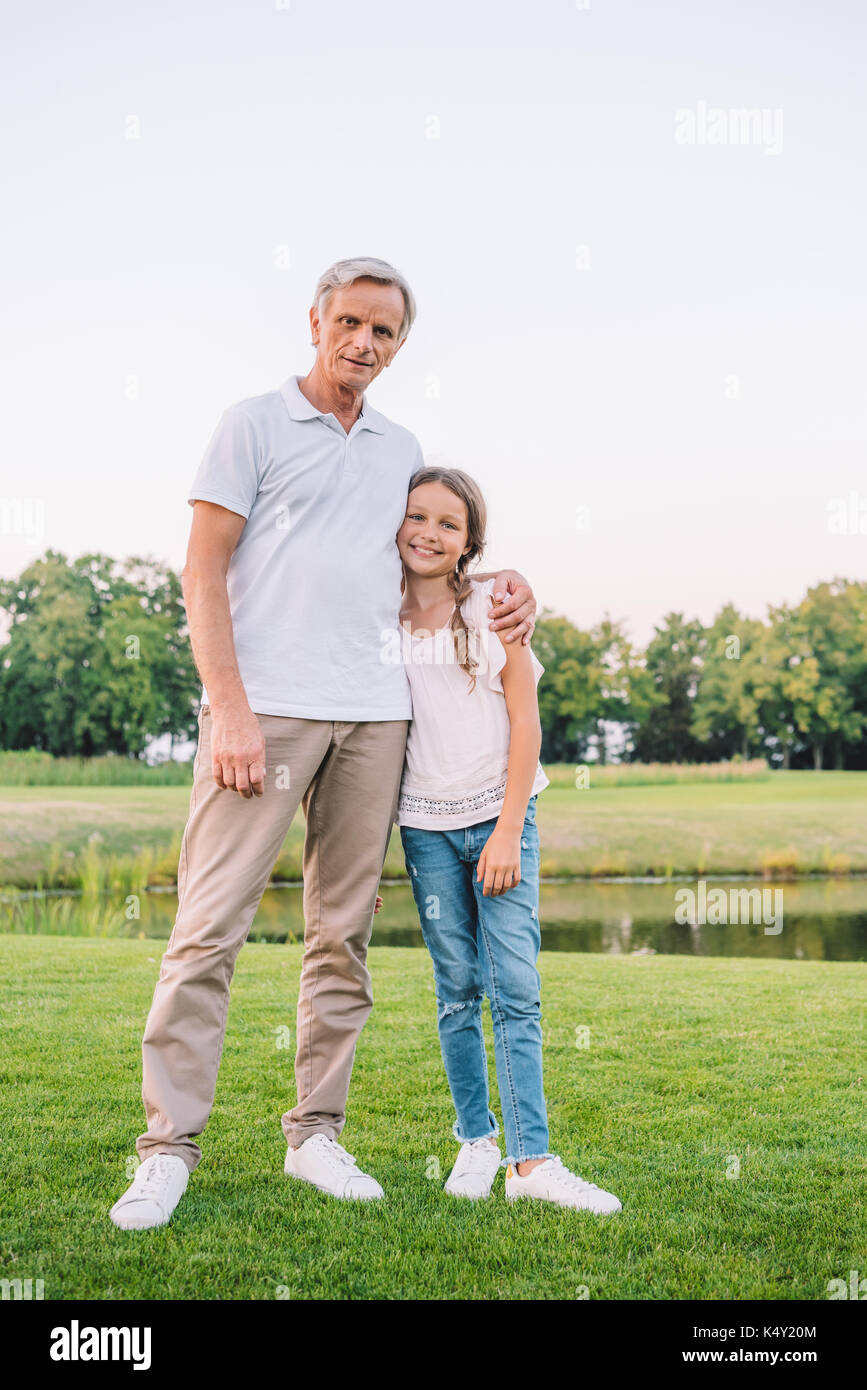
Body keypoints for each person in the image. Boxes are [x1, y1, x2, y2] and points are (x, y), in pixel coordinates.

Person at [109, 257, 538, 1230]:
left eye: (383, 332)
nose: (364, 343)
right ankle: (167, 1148)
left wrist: (512, 588)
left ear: (398, 346)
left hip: (379, 717)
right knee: (208, 930)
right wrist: (227, 707)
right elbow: (202, 569)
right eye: (349, 322)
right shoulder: (251, 425)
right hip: (265, 715)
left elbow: (435, 562)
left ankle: (316, 1135)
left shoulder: (403, 448)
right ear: (314, 320)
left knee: (339, 937)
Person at [394, 466, 622, 1214]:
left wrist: (504, 832)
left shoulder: (493, 611)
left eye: (448, 524)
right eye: (415, 517)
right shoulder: (374, 617)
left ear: (469, 541)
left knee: (514, 992)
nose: (428, 533)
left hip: (499, 822)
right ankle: (475, 1142)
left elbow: (526, 723)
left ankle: (530, 1163)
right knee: (454, 991)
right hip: (424, 830)